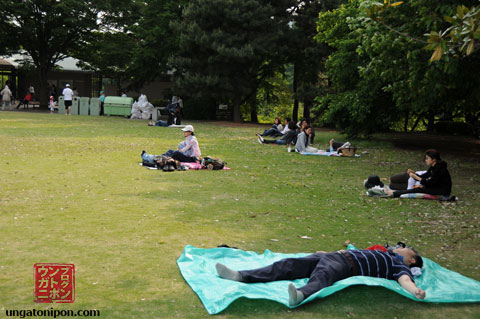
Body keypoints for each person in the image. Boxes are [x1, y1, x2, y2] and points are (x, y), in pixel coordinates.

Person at [215, 246, 425, 306]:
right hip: (334, 256)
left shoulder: (399, 266)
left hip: (344, 264)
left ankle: (301, 295)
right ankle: (241, 276)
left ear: (412, 259)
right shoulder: (385, 252)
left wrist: (415, 290)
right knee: (287, 265)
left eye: (406, 249)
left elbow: (405, 280)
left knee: (323, 276)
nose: (400, 248)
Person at [385, 149, 452, 198]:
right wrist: (414, 174)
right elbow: (424, 176)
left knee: (417, 189)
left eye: (427, 158)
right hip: (435, 187)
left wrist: (416, 177)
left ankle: (395, 194)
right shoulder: (433, 167)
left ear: (434, 159)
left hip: (442, 190)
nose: (426, 160)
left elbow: (430, 183)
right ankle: (395, 193)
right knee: (418, 188)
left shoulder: (440, 168)